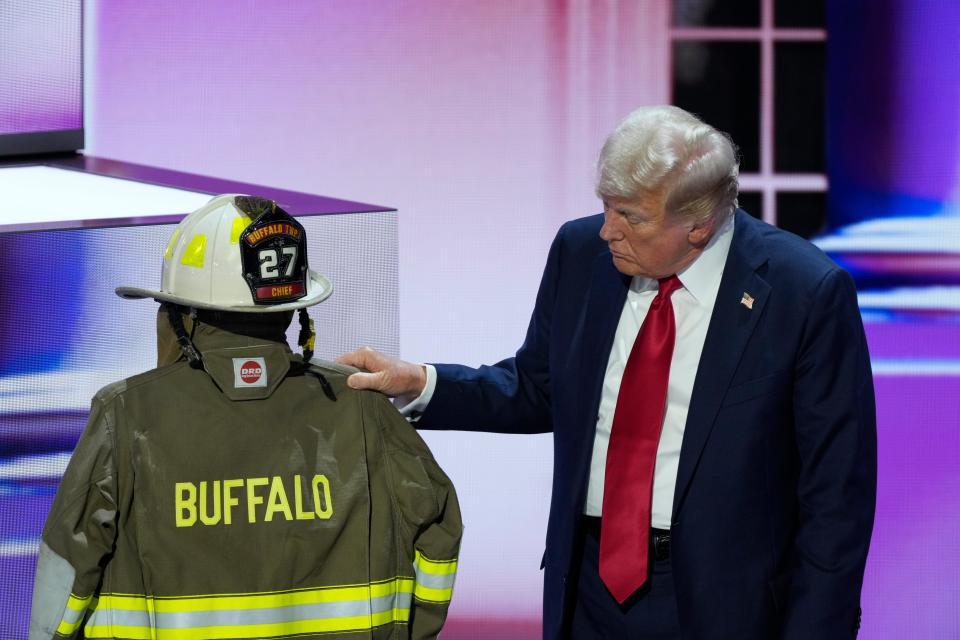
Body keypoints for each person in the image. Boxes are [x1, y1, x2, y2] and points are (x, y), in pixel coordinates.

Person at [339, 106, 877, 639]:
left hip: (725, 605)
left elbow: (836, 496)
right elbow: (537, 387)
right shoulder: (580, 255)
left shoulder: (803, 293)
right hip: (589, 592)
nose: (607, 231)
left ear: (700, 224)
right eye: (607, 207)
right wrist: (420, 382)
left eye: (632, 217)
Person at [29, 194, 462, 640]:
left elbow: (68, 562)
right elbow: (440, 528)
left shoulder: (124, 413)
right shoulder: (364, 405)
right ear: (295, 313)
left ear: (182, 317)